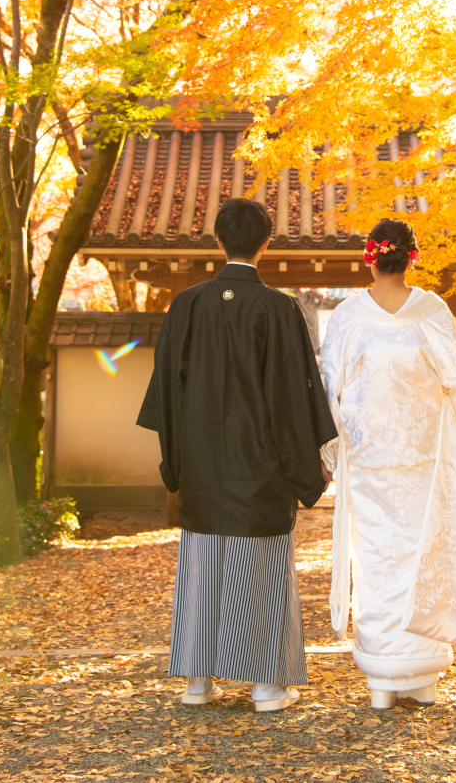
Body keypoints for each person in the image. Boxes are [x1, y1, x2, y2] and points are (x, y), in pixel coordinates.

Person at [137, 198, 337, 713]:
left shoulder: (186, 306)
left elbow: (168, 394)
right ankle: (267, 687)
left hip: (203, 464)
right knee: (261, 573)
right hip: (260, 466)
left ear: (217, 239)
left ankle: (197, 684)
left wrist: (176, 460)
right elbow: (294, 397)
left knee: (202, 571)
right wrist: (307, 465)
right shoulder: (278, 308)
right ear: (266, 242)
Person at [320, 217, 456, 710]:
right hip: (421, 455)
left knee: (376, 562)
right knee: (420, 554)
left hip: (371, 456)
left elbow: (330, 386)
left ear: (369, 256)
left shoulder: (348, 314)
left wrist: (329, 450)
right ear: (411, 256)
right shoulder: (431, 309)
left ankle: (384, 678)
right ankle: (418, 675)